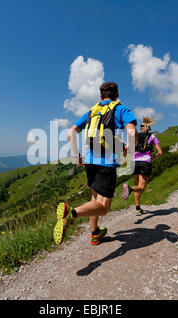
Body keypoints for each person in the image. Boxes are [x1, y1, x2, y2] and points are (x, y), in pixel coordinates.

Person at [53, 82, 138, 246]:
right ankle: (71, 213)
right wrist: (130, 150)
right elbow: (132, 131)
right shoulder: (121, 109)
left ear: (101, 96)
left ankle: (95, 233)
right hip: (106, 163)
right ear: (116, 95)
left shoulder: (92, 111)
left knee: (95, 197)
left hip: (89, 161)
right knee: (103, 207)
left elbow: (71, 133)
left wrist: (77, 155)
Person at [121, 116, 163, 216]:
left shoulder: (134, 138)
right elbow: (160, 152)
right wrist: (153, 157)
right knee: (141, 187)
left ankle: (138, 207)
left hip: (134, 162)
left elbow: (125, 148)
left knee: (138, 185)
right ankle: (129, 189)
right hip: (145, 162)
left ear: (141, 128)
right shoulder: (153, 137)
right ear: (149, 128)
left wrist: (124, 158)